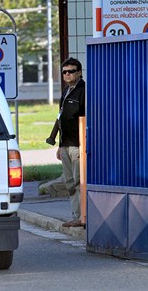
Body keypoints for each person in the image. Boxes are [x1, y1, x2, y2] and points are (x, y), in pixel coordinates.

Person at [56, 58, 86, 228]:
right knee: (69, 182)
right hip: (66, 144)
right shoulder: (67, 91)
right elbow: (61, 119)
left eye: (71, 71)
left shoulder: (83, 90)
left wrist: (84, 143)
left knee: (78, 181)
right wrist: (60, 146)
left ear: (79, 72)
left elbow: (85, 118)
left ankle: (83, 216)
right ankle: (76, 215)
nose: (67, 74)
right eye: (65, 72)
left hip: (77, 144)